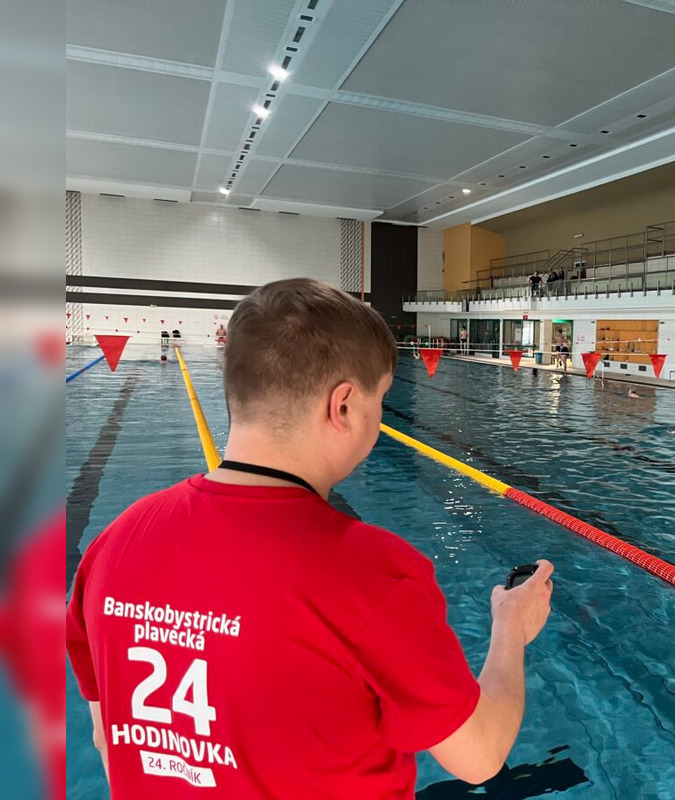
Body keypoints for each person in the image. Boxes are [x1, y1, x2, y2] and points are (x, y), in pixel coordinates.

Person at [67, 278, 555, 798]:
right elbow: (479, 756)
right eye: (380, 400)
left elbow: (106, 738)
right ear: (342, 406)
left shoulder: (114, 544)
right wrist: (510, 627)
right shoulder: (375, 573)